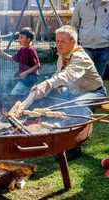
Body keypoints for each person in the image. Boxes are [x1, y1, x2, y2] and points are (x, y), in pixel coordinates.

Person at [26, 25, 107, 160]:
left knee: (76, 105)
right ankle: (46, 129)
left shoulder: (80, 57)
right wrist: (48, 89)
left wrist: (48, 83)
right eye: (57, 41)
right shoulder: (62, 57)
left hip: (96, 93)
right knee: (54, 98)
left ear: (73, 42)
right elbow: (59, 75)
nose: (58, 44)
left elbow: (68, 75)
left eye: (62, 41)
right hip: (75, 92)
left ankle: (73, 146)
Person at [71, 0, 109, 78]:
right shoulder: (81, 3)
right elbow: (74, 25)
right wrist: (73, 45)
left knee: (97, 80)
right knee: (85, 79)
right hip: (85, 47)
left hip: (104, 48)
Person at [0, 27, 40, 95]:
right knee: (25, 95)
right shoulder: (22, 50)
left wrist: (25, 73)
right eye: (19, 37)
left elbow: (37, 65)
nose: (19, 39)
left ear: (28, 39)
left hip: (30, 77)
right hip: (26, 78)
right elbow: (12, 58)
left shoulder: (30, 50)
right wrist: (3, 54)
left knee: (14, 94)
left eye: (21, 38)